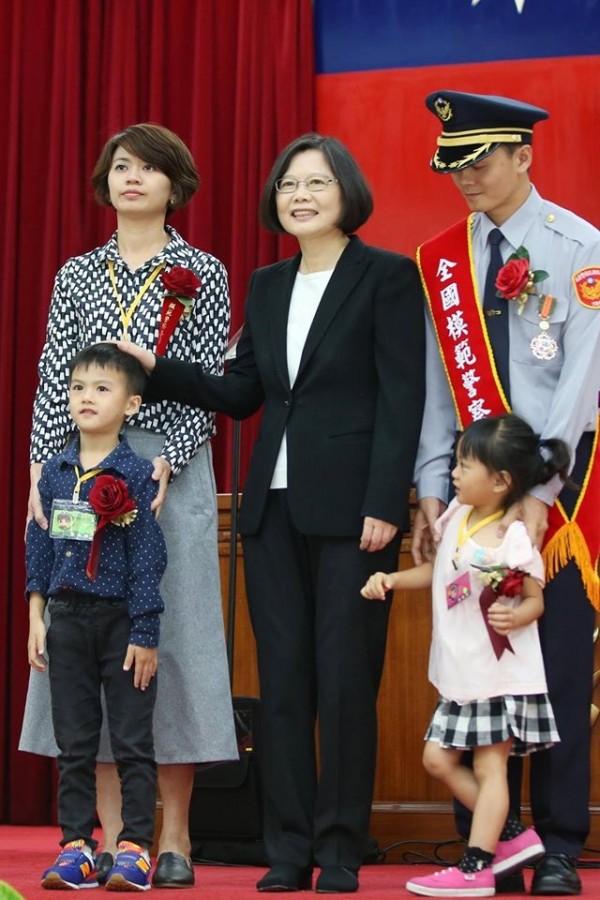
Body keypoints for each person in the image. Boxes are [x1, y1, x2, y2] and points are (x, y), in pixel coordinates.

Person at [118, 132, 426, 893]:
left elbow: (402, 396)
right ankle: (287, 848)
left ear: (346, 192)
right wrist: (161, 371)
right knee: (284, 683)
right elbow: (244, 393)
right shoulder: (267, 285)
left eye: (316, 183)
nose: (301, 196)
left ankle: (342, 850)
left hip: (356, 511)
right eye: (289, 185)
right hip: (271, 511)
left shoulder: (387, 277)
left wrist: (386, 501)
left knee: (348, 682)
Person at [19, 123, 237, 889]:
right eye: (120, 167)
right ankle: (107, 838)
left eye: (148, 168)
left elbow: (207, 379)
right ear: (104, 183)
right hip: (78, 468)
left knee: (165, 646)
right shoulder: (77, 274)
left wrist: (165, 462)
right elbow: (54, 379)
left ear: (176, 184)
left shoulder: (201, 270)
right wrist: (45, 477)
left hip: (164, 472)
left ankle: (170, 833)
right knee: (86, 640)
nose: (132, 178)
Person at [413, 90, 600, 895]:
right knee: (479, 660)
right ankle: (491, 843)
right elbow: (437, 388)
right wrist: (430, 485)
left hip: (559, 498)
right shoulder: (442, 260)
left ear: (524, 156)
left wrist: (539, 490)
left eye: (480, 160)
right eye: (454, 162)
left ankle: (557, 840)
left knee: (553, 667)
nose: (467, 177)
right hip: (472, 498)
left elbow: (583, 382)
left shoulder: (578, 246)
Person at [363, 414, 571, 897]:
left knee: (489, 768)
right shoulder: (457, 514)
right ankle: (514, 839)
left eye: (464, 465)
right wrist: (392, 580)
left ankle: (478, 864)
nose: (453, 473)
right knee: (437, 759)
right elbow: (440, 573)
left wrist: (519, 617)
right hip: (461, 671)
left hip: (499, 674)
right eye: (455, 462)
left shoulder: (512, 537)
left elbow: (536, 599)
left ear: (501, 481)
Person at [27, 344, 167, 891]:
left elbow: (149, 560)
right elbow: (38, 550)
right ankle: (77, 848)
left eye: (102, 389)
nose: (87, 397)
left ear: (131, 405)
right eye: (78, 387)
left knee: (133, 742)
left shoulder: (135, 474)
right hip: (66, 622)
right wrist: (38, 618)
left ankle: (134, 847)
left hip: (121, 625)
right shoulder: (56, 473)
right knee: (74, 744)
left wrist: (146, 631)